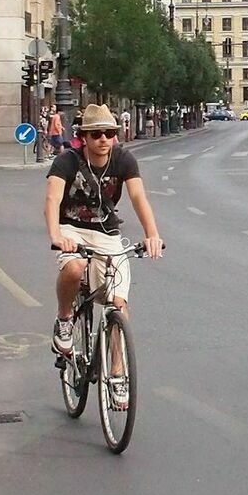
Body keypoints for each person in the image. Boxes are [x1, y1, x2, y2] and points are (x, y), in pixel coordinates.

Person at [44, 103, 163, 362]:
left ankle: (118, 374)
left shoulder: (123, 159)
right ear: (83, 137)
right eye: (96, 134)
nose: (103, 140)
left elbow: (138, 196)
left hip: (106, 232)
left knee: (117, 305)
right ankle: (64, 318)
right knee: (74, 268)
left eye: (108, 133)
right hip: (71, 228)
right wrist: (56, 236)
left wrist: (152, 234)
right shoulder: (66, 161)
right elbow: (52, 199)